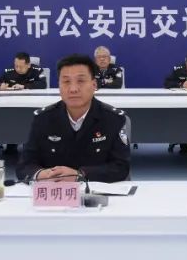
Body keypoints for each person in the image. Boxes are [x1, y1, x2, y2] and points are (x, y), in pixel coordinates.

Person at [16, 54, 130, 183]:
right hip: (54, 192)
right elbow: (24, 165)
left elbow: (121, 167)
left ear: (94, 85)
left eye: (81, 81)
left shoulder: (113, 119)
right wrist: (41, 174)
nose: (73, 89)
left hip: (95, 192)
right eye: (66, 82)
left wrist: (80, 175)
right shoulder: (43, 119)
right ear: (59, 85)